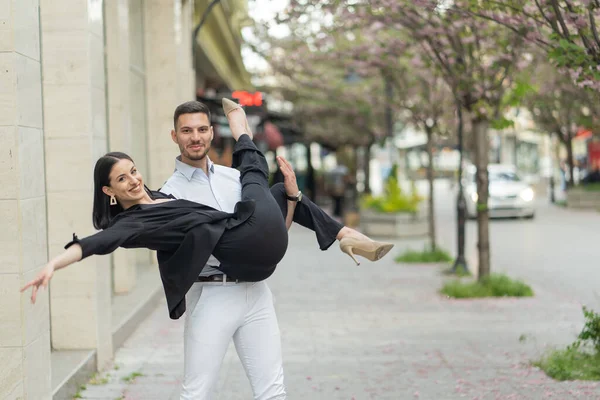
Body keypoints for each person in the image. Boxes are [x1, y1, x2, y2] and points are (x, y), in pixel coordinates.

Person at [21, 99, 393, 399]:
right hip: (213, 294)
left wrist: (293, 198)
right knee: (196, 392)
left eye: (201, 129)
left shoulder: (199, 187)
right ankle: (245, 130)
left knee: (273, 391)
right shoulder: (169, 194)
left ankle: (344, 236)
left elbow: (269, 230)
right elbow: (100, 241)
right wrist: (57, 262)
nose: (195, 137)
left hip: (256, 290)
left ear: (211, 133)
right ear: (175, 136)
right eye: (187, 131)